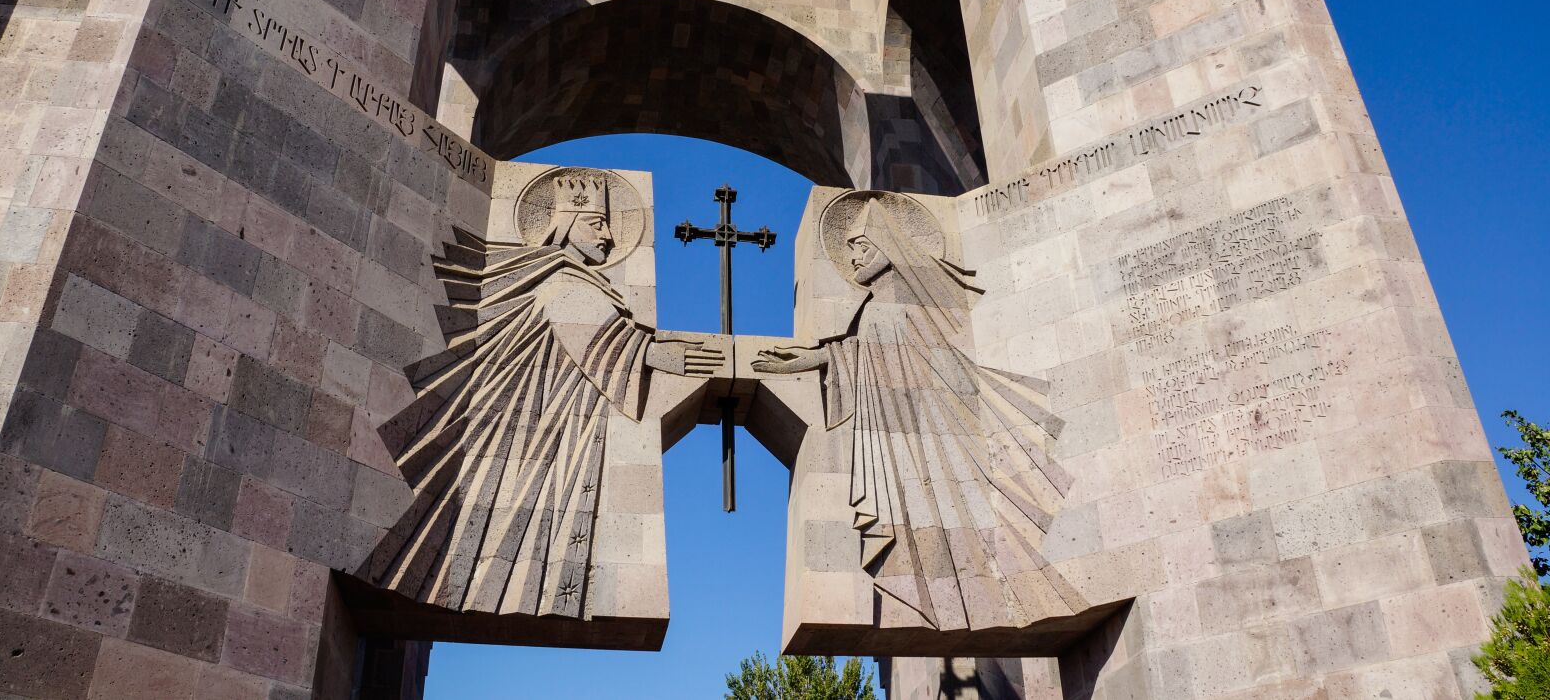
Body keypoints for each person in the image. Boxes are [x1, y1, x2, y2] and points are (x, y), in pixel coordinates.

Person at [364, 172, 721, 618]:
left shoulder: (582, 282)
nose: (608, 238)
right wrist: (655, 354)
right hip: (526, 432)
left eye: (607, 226)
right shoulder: (558, 278)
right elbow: (595, 335)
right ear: (568, 223)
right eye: (597, 225)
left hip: (560, 430)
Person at [753, 196, 1076, 631]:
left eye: (861, 248)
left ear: (886, 246)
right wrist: (806, 361)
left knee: (974, 534)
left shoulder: (907, 302)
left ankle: (998, 598)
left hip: (939, 434)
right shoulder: (874, 307)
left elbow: (931, 364)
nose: (853, 259)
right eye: (851, 250)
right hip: (904, 440)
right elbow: (860, 353)